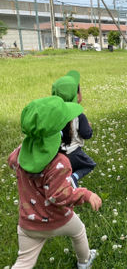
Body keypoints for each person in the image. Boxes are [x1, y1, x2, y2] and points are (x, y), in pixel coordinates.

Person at [8, 96, 102, 269]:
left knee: (24, 261)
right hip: (59, 220)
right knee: (79, 231)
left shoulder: (21, 152)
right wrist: (85, 193)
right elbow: (59, 196)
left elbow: (11, 160)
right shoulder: (60, 162)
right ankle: (84, 262)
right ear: (66, 132)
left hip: (28, 221)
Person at [52, 70, 96, 187]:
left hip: (55, 153)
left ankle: (63, 181)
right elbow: (86, 134)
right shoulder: (79, 116)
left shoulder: (52, 114)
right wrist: (89, 127)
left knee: (59, 172)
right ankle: (73, 177)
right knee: (89, 165)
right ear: (76, 95)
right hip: (73, 153)